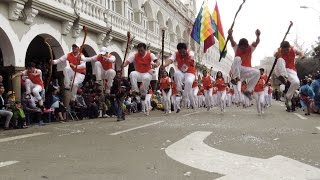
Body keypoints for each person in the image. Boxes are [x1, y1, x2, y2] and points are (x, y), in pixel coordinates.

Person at [228, 29, 261, 100]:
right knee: (237, 58)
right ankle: (235, 78)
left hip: (246, 70)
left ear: (247, 46)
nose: (242, 49)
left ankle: (248, 90)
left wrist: (258, 35)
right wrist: (230, 34)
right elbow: (231, 40)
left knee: (258, 72)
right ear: (239, 46)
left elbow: (257, 42)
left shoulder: (250, 48)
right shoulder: (236, 47)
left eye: (244, 48)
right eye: (241, 47)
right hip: (238, 69)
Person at [163, 43, 196, 109]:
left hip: (190, 73)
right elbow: (170, 60)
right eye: (180, 52)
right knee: (176, 74)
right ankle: (180, 90)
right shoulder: (176, 54)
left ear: (186, 50)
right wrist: (164, 65)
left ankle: (185, 97)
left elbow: (192, 57)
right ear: (178, 51)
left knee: (189, 82)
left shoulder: (190, 52)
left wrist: (191, 60)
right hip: (182, 72)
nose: (182, 54)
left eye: (183, 52)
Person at [274, 41, 304, 111]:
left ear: (289, 47)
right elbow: (275, 55)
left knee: (296, 82)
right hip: (280, 69)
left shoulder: (293, 49)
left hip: (291, 70)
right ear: (281, 49)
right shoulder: (279, 51)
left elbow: (301, 53)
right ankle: (284, 77)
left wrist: (301, 55)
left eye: (287, 50)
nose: (286, 51)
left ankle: (288, 97)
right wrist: (278, 53)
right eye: (284, 50)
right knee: (280, 59)